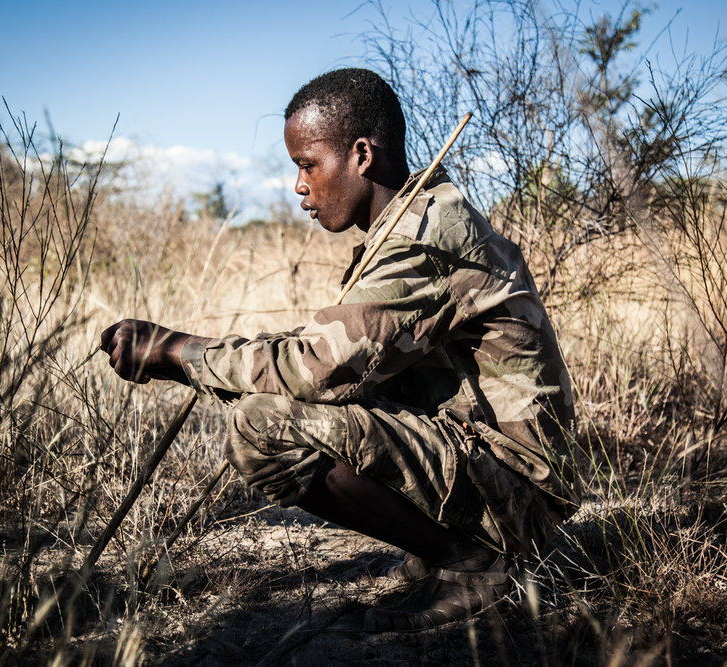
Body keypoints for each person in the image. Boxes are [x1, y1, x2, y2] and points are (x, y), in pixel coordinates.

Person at [100, 68, 578, 633]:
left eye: (308, 164)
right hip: (496, 468)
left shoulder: (424, 237)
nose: (299, 186)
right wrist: (184, 358)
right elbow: (328, 353)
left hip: (519, 491)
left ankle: (475, 562)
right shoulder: (411, 221)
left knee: (261, 426)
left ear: (360, 155)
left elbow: (317, 369)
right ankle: (450, 548)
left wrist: (177, 352)